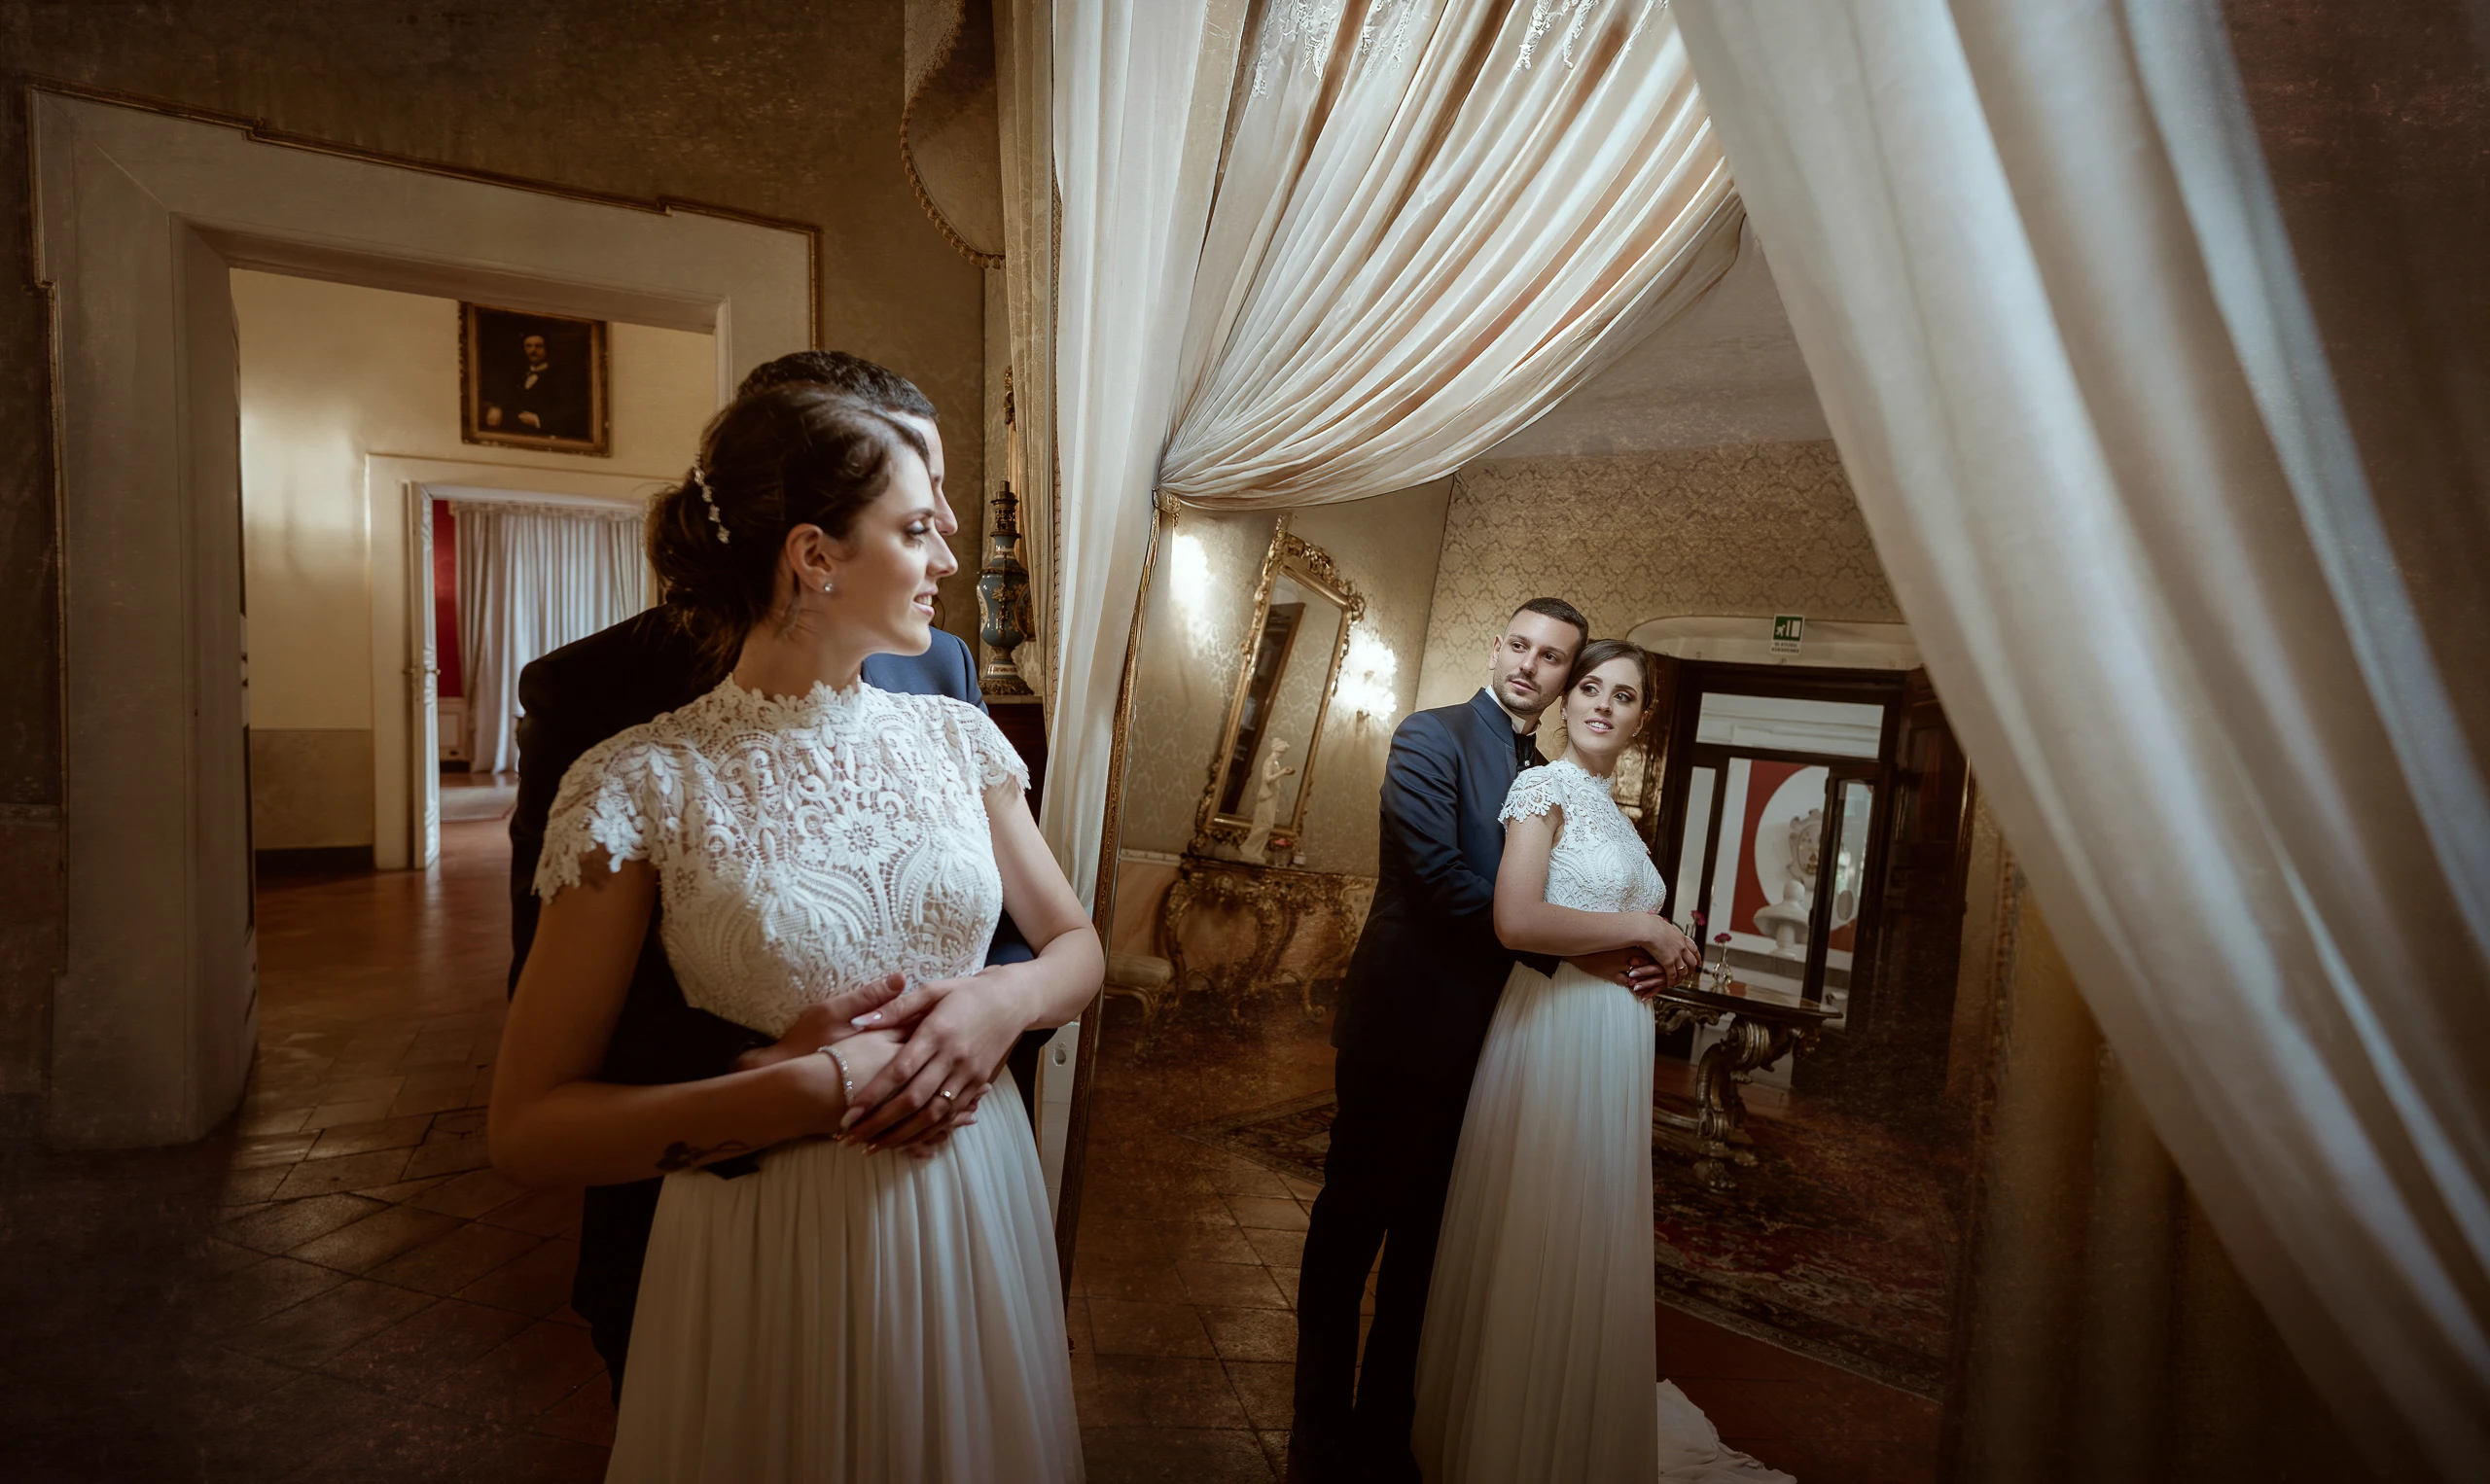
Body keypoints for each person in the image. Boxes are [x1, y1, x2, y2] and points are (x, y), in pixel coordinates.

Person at [489, 382, 1095, 1481]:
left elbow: (1076, 947)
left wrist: (999, 1002)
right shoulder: (641, 781)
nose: (948, 557)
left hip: (975, 1189)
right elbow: (529, 1128)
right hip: (770, 1225)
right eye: (915, 529)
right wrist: (815, 1087)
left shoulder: (956, 735)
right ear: (815, 555)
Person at [1292, 599, 1677, 1483]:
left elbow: (1556, 901)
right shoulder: (1431, 737)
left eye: (1554, 658)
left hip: (1498, 1047)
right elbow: (1437, 880)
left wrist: (1618, 955)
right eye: (1521, 646)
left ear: (1565, 678)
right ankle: (1317, 1433)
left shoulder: (1546, 771)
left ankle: (1386, 1433)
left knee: (1431, 1250)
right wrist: (1578, 950)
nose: (1530, 666)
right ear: (1498, 648)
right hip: (1403, 1027)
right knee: (1351, 1231)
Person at [1409, 639, 1780, 1483]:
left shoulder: (1620, 817)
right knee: (1542, 1220)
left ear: (1642, 720)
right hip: (1556, 1030)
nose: (1603, 705)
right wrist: (1646, 928)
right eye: (1590, 688)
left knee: (1591, 1231)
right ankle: (1510, 1442)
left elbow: (1614, 923)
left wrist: (1668, 955)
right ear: (1567, 701)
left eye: (1624, 695)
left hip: (1615, 1039)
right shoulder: (1542, 789)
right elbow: (1516, 921)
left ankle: (1570, 1423)